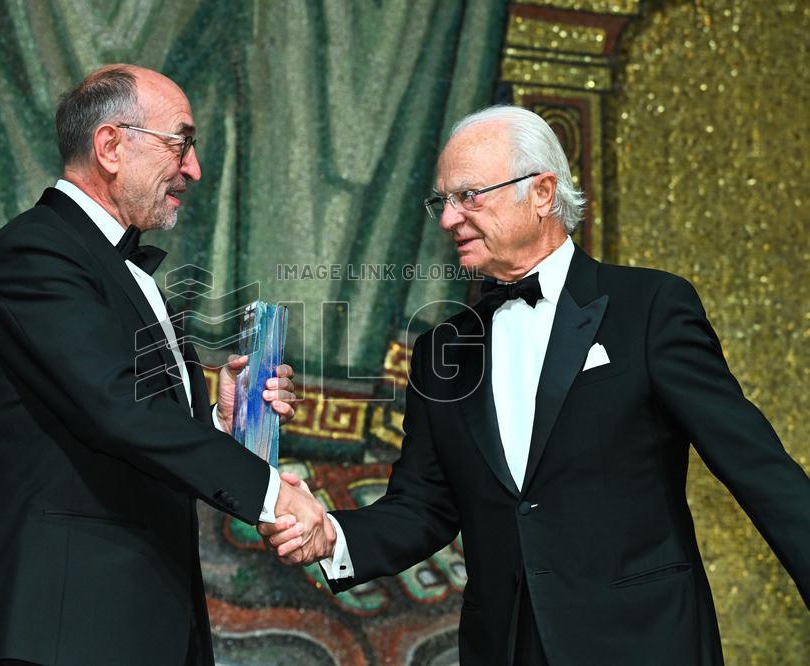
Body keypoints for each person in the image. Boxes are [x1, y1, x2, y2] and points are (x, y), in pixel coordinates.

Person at [261, 105, 810, 665]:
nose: (449, 219)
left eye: (469, 196)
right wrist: (331, 535)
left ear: (543, 193)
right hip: (505, 647)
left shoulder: (649, 308)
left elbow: (756, 466)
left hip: (645, 642)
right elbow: (423, 505)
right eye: (442, 201)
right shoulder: (441, 351)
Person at [0, 64, 325, 665]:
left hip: (140, 622)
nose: (194, 169)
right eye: (180, 143)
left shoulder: (112, 263)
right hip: (63, 630)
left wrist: (218, 420)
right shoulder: (36, 252)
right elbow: (116, 408)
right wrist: (272, 498)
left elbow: (122, 420)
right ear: (110, 146)